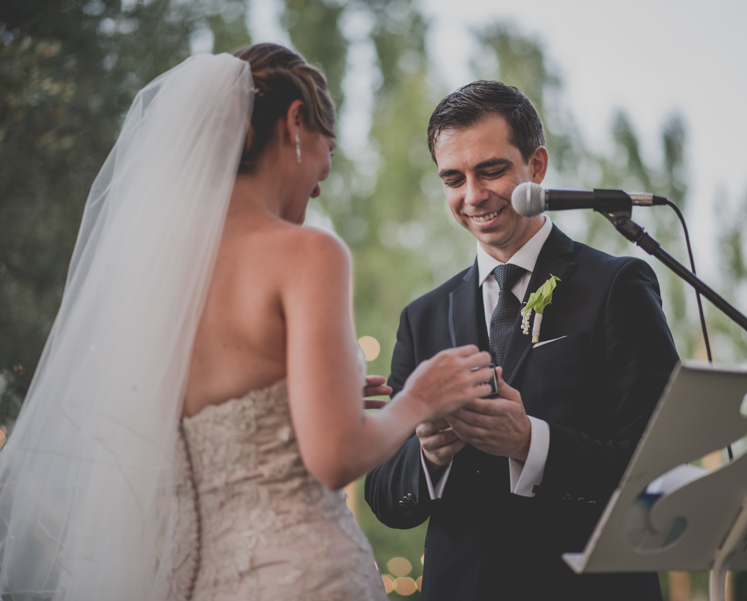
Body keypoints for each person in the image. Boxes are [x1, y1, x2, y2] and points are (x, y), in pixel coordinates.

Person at [0, 44, 494, 600]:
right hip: (301, 575)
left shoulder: (158, 272)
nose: (319, 188)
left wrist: (299, 402)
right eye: (323, 163)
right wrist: (421, 398)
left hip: (191, 581)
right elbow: (334, 459)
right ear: (295, 123)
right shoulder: (308, 255)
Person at [364, 81, 680, 600]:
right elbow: (384, 496)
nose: (472, 196)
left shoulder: (617, 286)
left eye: (490, 170)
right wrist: (429, 454)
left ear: (536, 166)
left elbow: (661, 464)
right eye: (453, 178)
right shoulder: (421, 318)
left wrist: (530, 443)